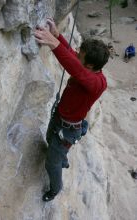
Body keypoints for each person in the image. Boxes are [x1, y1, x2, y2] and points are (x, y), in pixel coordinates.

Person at [34, 18, 110, 202]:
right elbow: (75, 59)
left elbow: (75, 68)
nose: (77, 54)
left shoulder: (97, 83)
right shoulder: (87, 68)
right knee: (49, 140)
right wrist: (57, 36)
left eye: (81, 55)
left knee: (52, 164)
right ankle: (62, 158)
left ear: (90, 65)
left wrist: (53, 44)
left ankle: (55, 189)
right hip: (61, 117)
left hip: (68, 130)